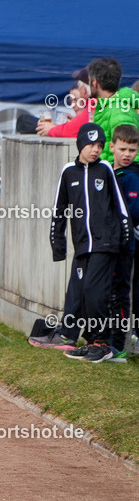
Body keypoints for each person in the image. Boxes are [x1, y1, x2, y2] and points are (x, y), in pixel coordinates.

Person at [48, 123, 131, 363]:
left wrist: (123, 238)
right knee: (83, 293)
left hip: (106, 244)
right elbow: (59, 210)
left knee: (96, 290)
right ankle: (91, 340)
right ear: (80, 145)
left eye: (99, 146)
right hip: (82, 245)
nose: (95, 150)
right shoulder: (68, 172)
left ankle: (102, 343)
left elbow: (120, 205)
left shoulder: (105, 168)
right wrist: (58, 245)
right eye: (90, 145)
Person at [109, 124, 139, 358]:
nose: (127, 154)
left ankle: (118, 346)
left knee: (120, 294)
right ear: (112, 147)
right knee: (104, 294)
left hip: (124, 247)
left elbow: (132, 213)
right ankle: (102, 340)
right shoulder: (107, 172)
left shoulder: (132, 178)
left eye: (132, 149)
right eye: (123, 149)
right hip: (105, 246)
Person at [87, 58, 139, 162]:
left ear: (95, 83)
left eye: (88, 80)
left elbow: (129, 149)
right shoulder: (106, 107)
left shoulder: (119, 111)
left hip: (120, 175)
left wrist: (118, 174)